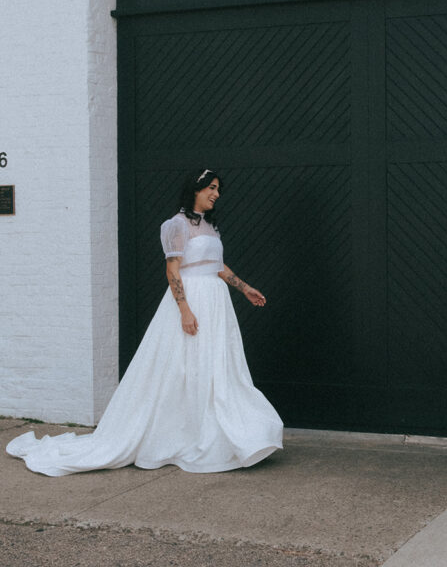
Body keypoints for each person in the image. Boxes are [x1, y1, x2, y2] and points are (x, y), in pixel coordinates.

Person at [7, 169, 283, 476]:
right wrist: (185, 310)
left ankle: (216, 434)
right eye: (212, 188)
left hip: (216, 302)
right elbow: (173, 271)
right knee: (183, 366)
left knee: (216, 367)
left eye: (218, 189)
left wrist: (244, 288)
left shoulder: (208, 226)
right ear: (196, 189)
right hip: (192, 301)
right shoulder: (176, 225)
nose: (216, 194)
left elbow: (216, 266)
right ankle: (179, 434)